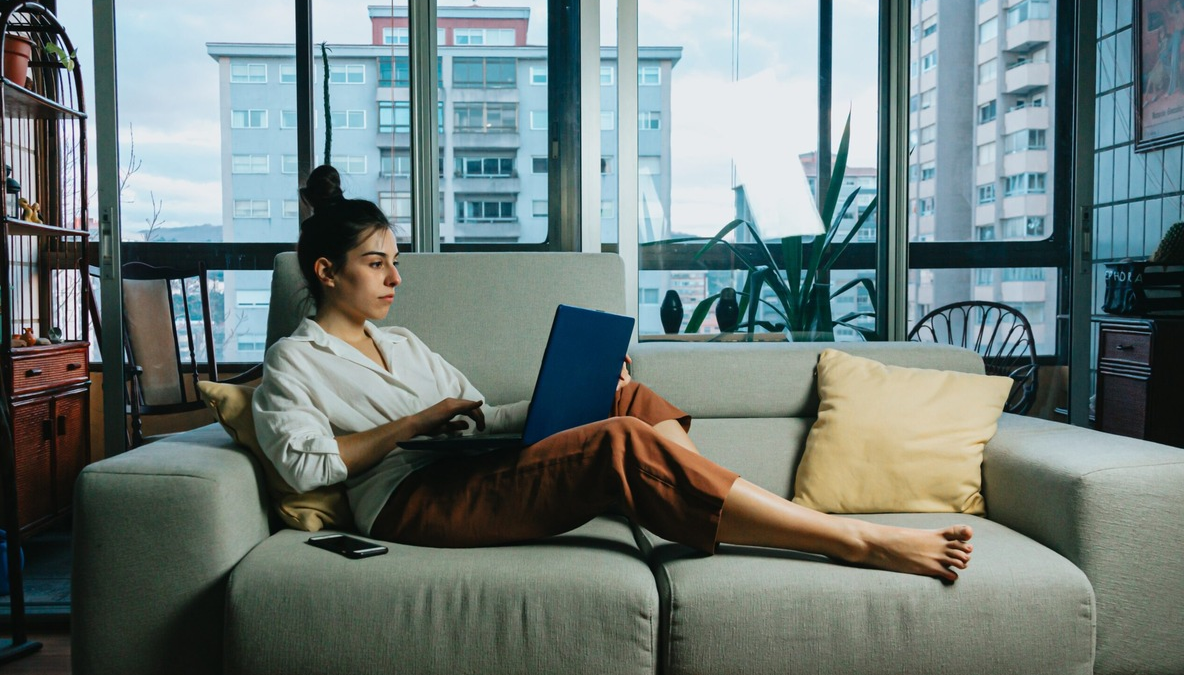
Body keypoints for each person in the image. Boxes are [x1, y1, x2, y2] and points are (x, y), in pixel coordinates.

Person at [253, 165, 974, 582]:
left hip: (465, 469)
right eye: (377, 263)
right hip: (410, 502)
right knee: (618, 442)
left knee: (623, 396)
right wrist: (414, 423)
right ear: (326, 271)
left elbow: (474, 415)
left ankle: (704, 501)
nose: (394, 278)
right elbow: (307, 462)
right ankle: (851, 539)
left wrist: (576, 388)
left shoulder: (403, 342)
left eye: (395, 261)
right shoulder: (294, 361)